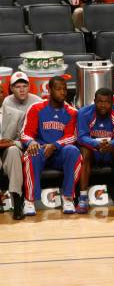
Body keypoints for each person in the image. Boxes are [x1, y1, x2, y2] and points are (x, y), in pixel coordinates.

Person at [21, 76, 81, 215]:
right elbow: (25, 133)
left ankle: (68, 198)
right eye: (58, 89)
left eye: (65, 89)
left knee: (74, 151)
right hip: (41, 150)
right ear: (49, 90)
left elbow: (72, 136)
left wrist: (54, 145)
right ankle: (29, 201)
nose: (63, 92)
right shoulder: (36, 108)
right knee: (30, 155)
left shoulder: (72, 112)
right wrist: (32, 142)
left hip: (60, 152)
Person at [76, 88, 114, 214]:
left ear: (112, 102)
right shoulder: (84, 113)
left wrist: (112, 144)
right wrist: (96, 144)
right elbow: (81, 137)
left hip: (111, 151)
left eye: (107, 102)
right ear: (94, 101)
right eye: (99, 101)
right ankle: (83, 198)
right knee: (84, 151)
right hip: (93, 151)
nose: (103, 105)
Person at [0, 85, 25, 220]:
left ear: (4, 95)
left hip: (8, 153)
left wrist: (10, 143)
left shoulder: (17, 114)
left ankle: (17, 201)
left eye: (0, 92)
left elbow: (24, 141)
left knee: (14, 151)